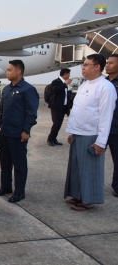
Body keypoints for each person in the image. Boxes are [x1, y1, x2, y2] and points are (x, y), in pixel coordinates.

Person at [64, 54, 116, 211]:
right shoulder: (84, 85)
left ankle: (88, 200)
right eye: (83, 65)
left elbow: (106, 116)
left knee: (89, 169)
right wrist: (72, 131)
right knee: (77, 168)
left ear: (97, 66)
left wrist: (100, 142)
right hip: (79, 133)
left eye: (86, 64)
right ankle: (78, 195)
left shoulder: (105, 87)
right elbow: (78, 110)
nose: (83, 67)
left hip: (91, 135)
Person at [0, 60, 39, 202]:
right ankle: (5, 186)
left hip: (18, 133)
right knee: (5, 162)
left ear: (18, 71)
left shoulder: (28, 89)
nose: (7, 72)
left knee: (19, 164)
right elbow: (2, 110)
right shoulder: (6, 89)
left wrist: (26, 130)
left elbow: (31, 113)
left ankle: (19, 192)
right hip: (5, 132)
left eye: (9, 70)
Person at [47, 68, 72, 146]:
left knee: (59, 124)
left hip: (63, 107)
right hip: (56, 107)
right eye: (68, 74)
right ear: (65, 74)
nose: (69, 75)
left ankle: (54, 139)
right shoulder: (56, 82)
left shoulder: (64, 83)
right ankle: (50, 139)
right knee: (56, 123)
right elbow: (55, 90)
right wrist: (65, 85)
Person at [105, 54, 118, 197]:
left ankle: (117, 186)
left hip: (116, 129)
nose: (107, 65)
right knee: (94, 158)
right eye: (107, 63)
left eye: (111, 63)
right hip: (102, 128)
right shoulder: (103, 82)